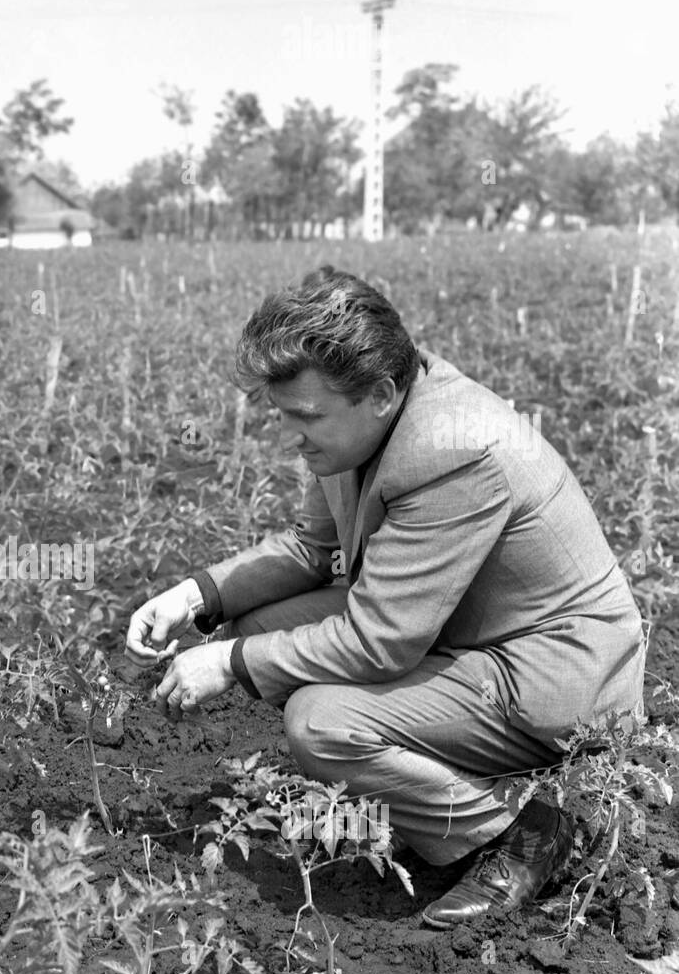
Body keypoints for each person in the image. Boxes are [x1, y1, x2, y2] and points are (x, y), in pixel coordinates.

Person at [126, 267, 644, 927]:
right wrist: (193, 597)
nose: (292, 435)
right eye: (282, 414)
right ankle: (423, 779)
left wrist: (225, 662)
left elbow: (381, 641)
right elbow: (312, 550)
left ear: (380, 392)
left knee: (320, 720)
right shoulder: (368, 426)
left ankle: (522, 834)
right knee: (262, 623)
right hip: (462, 632)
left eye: (306, 417)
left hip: (553, 678)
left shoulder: (454, 450)